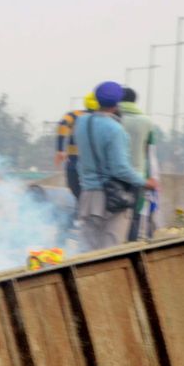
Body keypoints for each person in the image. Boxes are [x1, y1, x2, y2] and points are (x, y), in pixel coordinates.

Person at [74, 81, 158, 252]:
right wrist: (144, 182)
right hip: (111, 199)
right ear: (117, 103)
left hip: (88, 195)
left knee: (85, 251)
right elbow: (120, 169)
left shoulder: (81, 123)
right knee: (109, 251)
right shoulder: (115, 130)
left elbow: (79, 160)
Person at [119, 87, 158, 240]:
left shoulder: (116, 118)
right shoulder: (147, 122)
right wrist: (152, 178)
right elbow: (151, 153)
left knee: (113, 217)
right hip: (138, 175)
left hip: (116, 176)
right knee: (134, 217)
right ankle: (131, 250)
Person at [56, 93, 98, 200]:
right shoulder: (104, 119)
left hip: (73, 163)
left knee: (76, 191)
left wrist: (60, 149)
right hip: (94, 165)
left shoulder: (74, 114)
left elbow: (62, 125)